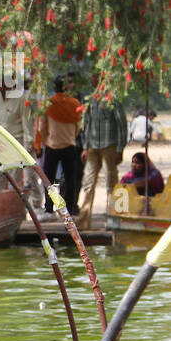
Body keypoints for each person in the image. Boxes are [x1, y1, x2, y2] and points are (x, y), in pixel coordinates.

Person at [77, 92, 127, 229]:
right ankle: (84, 221)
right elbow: (86, 124)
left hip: (109, 145)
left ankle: (112, 220)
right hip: (92, 147)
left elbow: (122, 124)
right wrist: (85, 147)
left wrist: (120, 147)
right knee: (88, 183)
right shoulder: (90, 99)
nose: (94, 79)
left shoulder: (113, 98)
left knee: (111, 184)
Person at [39, 77, 83, 214]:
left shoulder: (48, 104)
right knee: (70, 179)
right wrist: (71, 137)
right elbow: (78, 126)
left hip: (52, 146)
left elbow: (42, 127)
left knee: (49, 180)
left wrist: (47, 141)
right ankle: (69, 208)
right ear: (66, 88)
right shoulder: (75, 103)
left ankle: (48, 207)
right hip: (69, 146)